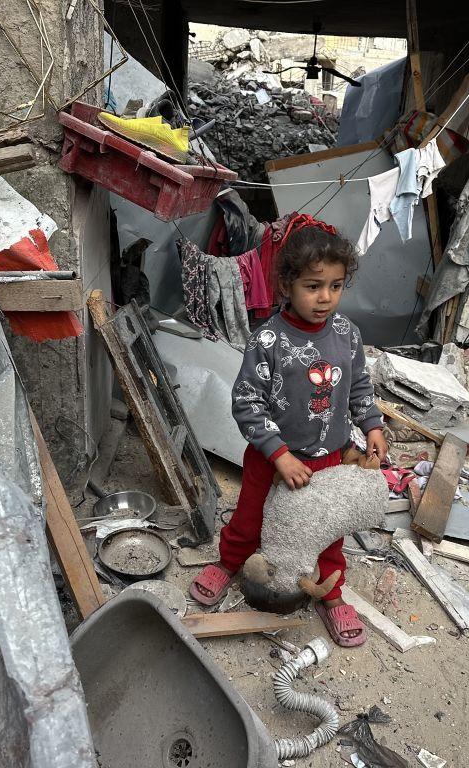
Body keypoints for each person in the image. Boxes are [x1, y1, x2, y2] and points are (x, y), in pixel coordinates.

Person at [189, 224, 386, 647]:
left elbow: (359, 387)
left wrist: (371, 425)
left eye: (335, 286)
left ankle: (330, 594)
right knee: (250, 519)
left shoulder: (347, 335)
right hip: (270, 460)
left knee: (327, 533)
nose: (325, 297)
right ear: (287, 284)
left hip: (329, 460)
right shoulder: (268, 340)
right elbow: (247, 402)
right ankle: (229, 564)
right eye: (313, 286)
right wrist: (278, 454)